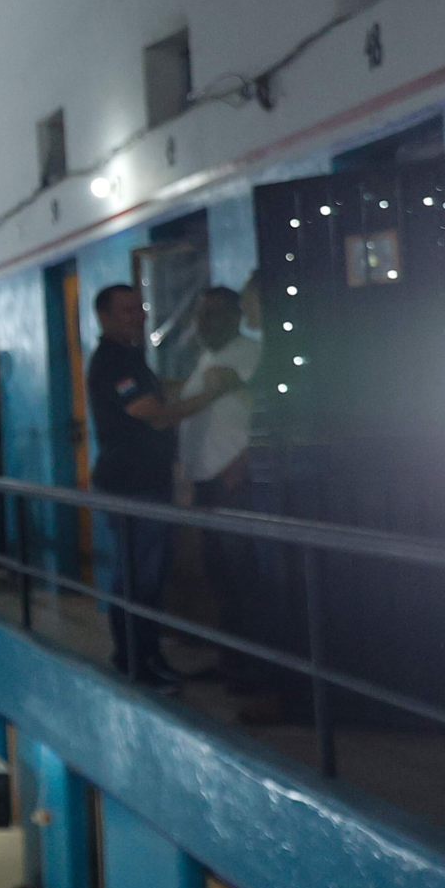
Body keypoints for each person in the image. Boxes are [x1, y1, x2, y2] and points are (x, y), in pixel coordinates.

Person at [87, 283, 227, 688]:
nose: (139, 316)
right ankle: (135, 660)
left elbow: (156, 400)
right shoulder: (113, 361)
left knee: (147, 575)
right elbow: (154, 414)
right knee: (138, 577)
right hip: (130, 487)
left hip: (146, 483)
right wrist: (212, 394)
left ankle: (145, 656)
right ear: (105, 317)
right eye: (127, 311)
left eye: (140, 308)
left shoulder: (131, 357)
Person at [180, 285, 266, 686]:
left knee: (243, 578)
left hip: (234, 481)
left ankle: (253, 670)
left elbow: (262, 411)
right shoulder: (207, 358)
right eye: (199, 315)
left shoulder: (250, 353)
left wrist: (244, 461)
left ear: (235, 316)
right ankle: (231, 662)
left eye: (212, 314)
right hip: (207, 482)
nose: (202, 323)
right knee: (220, 576)